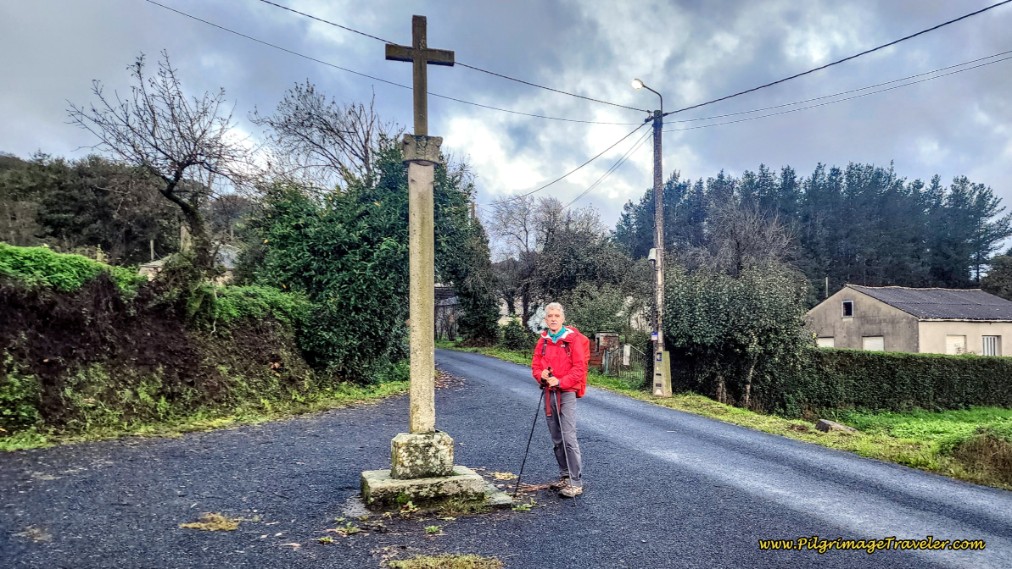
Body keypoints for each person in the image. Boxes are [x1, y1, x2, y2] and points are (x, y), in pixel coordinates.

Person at [531, 302, 588, 498]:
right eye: (550, 316)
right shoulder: (543, 341)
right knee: (556, 437)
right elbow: (535, 366)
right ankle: (564, 476)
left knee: (568, 436)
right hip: (549, 393)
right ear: (545, 320)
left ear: (563, 319)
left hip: (567, 392)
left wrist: (561, 381)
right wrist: (543, 376)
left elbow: (579, 369)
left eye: (557, 315)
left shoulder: (572, 340)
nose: (553, 319)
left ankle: (575, 481)